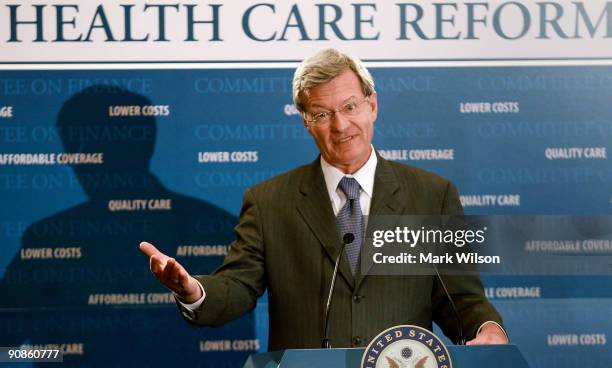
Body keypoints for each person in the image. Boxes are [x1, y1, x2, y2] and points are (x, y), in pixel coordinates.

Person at [140, 48, 508, 349]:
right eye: (322, 114)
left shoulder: (432, 195)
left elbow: (461, 299)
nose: (340, 125)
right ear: (305, 121)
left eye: (350, 107)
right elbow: (237, 286)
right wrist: (193, 290)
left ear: (372, 105)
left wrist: (487, 328)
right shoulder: (269, 202)